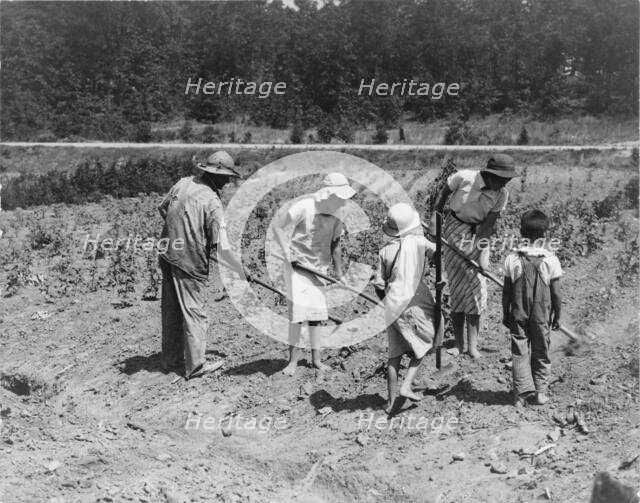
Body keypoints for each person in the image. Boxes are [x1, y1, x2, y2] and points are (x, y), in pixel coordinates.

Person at [158, 151, 247, 379]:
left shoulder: (183, 183)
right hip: (188, 261)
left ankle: (170, 361)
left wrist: (183, 229)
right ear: (214, 175)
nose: (227, 181)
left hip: (168, 252)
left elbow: (163, 209)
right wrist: (239, 270)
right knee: (194, 312)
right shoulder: (212, 202)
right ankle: (196, 367)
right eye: (225, 177)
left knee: (172, 310)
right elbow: (222, 247)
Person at [429, 154, 518, 358]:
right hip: (451, 230)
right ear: (490, 174)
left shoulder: (501, 194)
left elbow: (487, 226)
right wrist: (435, 219)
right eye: (502, 179)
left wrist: (482, 255)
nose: (504, 184)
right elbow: (442, 196)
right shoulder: (464, 177)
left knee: (477, 289)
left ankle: (473, 346)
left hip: (476, 234)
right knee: (457, 289)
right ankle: (459, 344)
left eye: (507, 180)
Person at [273, 172, 355, 376]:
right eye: (338, 197)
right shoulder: (305, 206)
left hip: (319, 267)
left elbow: (336, 244)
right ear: (328, 194)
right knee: (297, 316)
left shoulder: (339, 213)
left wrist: (339, 273)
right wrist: (287, 252)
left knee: (317, 316)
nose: (341, 201)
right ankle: (292, 361)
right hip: (297, 266)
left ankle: (316, 360)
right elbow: (277, 226)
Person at [372, 203, 444, 414]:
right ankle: (406, 385)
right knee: (427, 341)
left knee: (394, 355)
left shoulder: (385, 251)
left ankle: (391, 402)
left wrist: (386, 302)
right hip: (413, 300)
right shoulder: (419, 242)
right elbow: (439, 253)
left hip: (392, 303)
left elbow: (378, 284)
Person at [502, 210, 562, 406]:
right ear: (545, 235)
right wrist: (557, 315)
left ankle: (520, 395)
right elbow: (556, 293)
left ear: (521, 232)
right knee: (541, 350)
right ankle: (541, 392)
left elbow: (507, 292)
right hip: (541, 314)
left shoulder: (512, 259)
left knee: (519, 351)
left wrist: (505, 313)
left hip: (518, 311)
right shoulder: (551, 260)